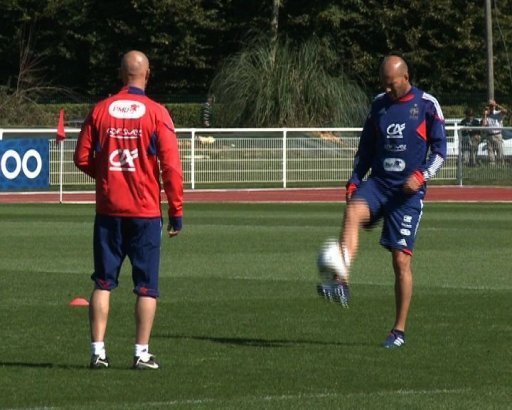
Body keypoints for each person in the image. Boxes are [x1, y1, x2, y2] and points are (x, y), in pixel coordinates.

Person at [317, 54, 447, 348]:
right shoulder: (378, 104)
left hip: (407, 193)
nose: (388, 90)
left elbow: (440, 152)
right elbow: (366, 148)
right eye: (384, 85)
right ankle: (341, 282)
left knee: (400, 261)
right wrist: (354, 179)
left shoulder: (427, 104)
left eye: (392, 85)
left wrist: (422, 175)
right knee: (352, 212)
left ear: (406, 77)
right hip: (378, 183)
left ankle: (398, 331)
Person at [74, 50, 184, 370]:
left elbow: (81, 158)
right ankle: (141, 353)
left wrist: (109, 178)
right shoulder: (157, 113)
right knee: (147, 286)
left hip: (109, 211)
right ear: (147, 74)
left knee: (103, 282)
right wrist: (176, 211)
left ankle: (98, 352)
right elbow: (171, 169)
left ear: (121, 74)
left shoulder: (100, 110)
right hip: (145, 212)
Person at [482, 99, 507, 166]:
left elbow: (505, 111)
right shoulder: (487, 115)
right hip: (489, 135)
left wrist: (497, 105)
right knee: (490, 152)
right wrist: (485, 115)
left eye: (492, 106)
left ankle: (501, 165)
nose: (491, 107)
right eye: (490, 106)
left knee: (499, 151)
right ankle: (492, 166)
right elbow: (484, 125)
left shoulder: (498, 113)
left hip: (497, 135)